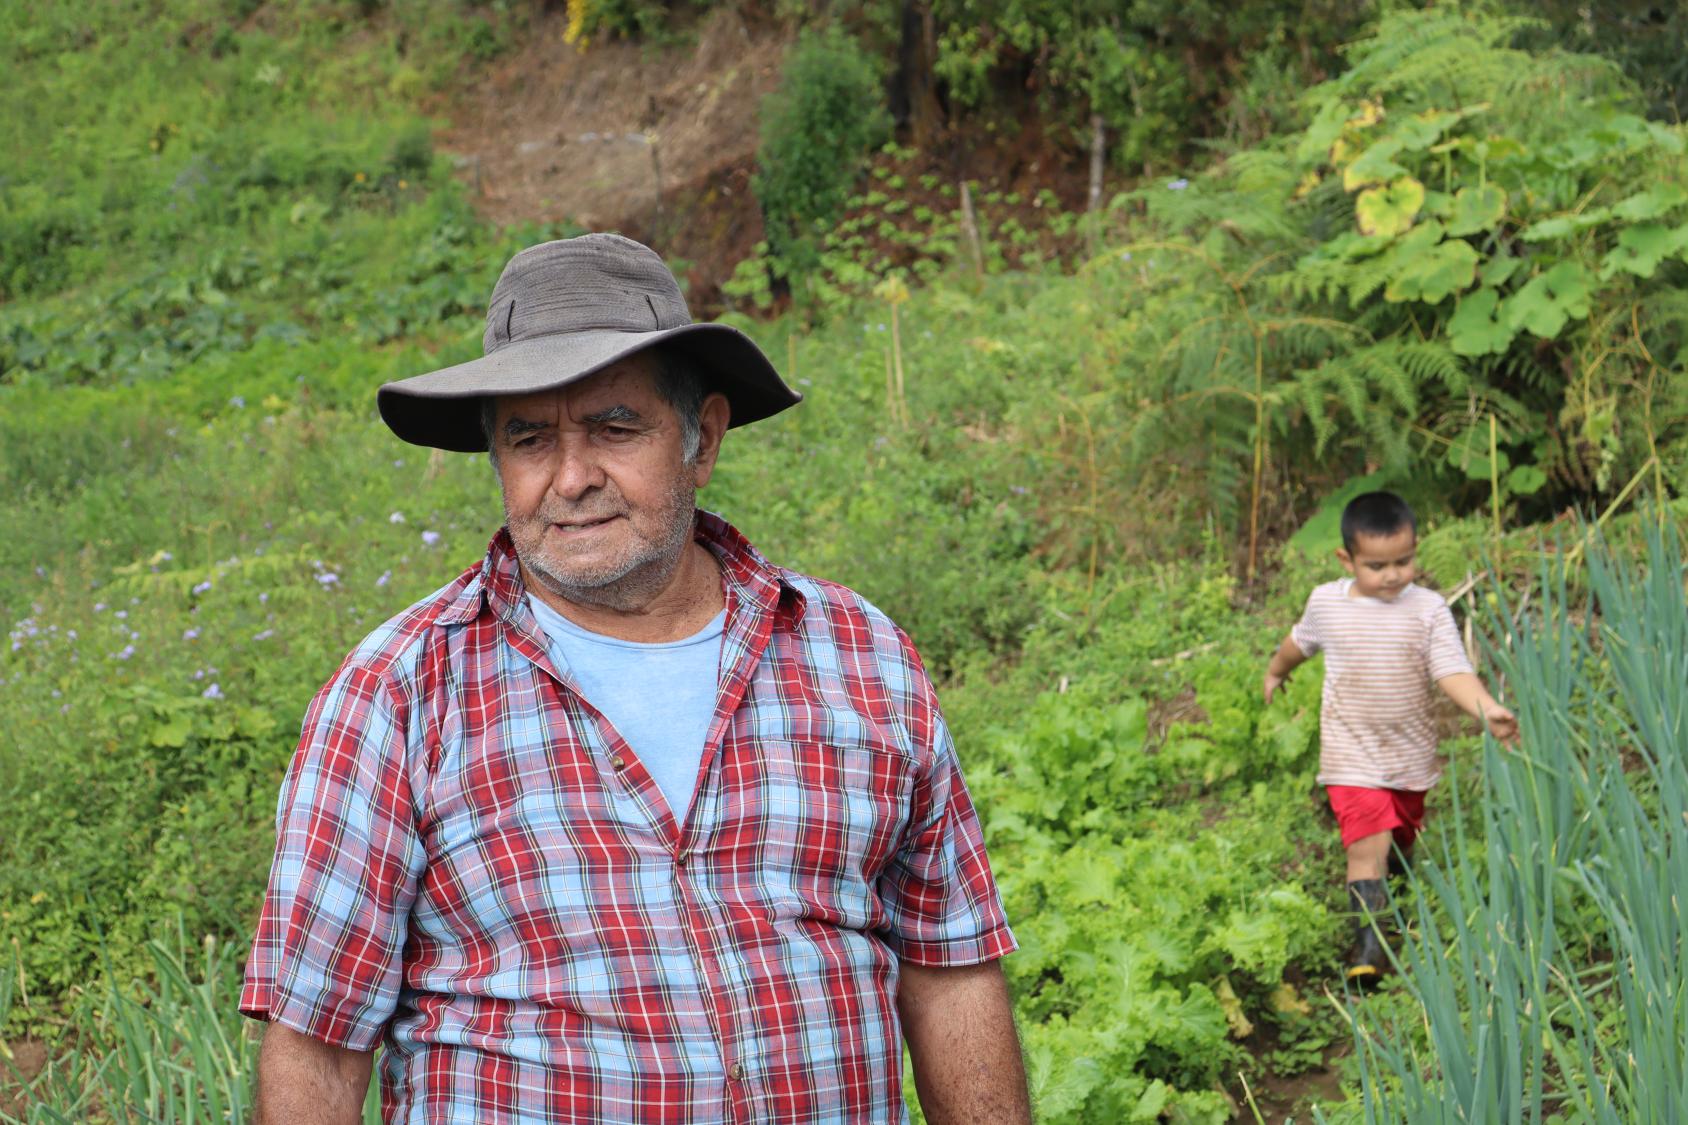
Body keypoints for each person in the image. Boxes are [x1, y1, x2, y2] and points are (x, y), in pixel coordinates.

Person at [240, 233, 1031, 1124]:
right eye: (529, 438)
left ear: (705, 438)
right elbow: (318, 1048)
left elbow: (952, 967)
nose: (571, 478)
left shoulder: (857, 655)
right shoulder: (398, 694)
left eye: (616, 428)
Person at [1262, 491, 1518, 982]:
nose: (1393, 575)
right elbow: (1299, 644)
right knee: (1366, 842)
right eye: (1377, 566)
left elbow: (1450, 670)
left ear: (1416, 548)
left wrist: (1487, 709)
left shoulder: (1428, 610)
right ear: (1347, 559)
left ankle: (1397, 883)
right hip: (1350, 751)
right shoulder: (1327, 604)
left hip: (1409, 754)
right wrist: (1275, 671)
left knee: (1399, 836)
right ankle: (1370, 944)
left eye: (1404, 561)